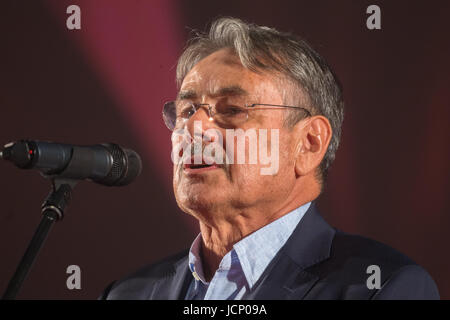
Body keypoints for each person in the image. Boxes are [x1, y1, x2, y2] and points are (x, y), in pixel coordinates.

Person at [100, 17, 439, 300]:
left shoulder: (380, 287)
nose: (194, 128)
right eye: (187, 110)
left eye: (231, 110)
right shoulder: (128, 294)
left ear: (308, 144)